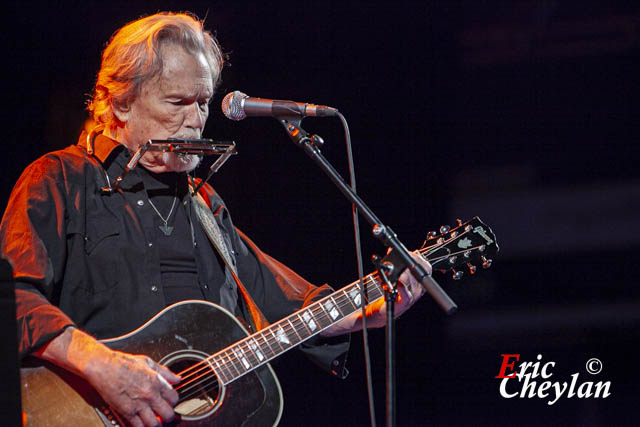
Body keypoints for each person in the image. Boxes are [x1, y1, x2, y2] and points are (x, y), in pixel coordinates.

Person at [0, 12, 429, 427]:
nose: (196, 120)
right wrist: (104, 367)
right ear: (121, 101)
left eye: (203, 102)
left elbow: (279, 300)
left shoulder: (206, 203)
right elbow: (13, 296)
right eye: (177, 102)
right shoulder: (59, 179)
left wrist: (367, 309)